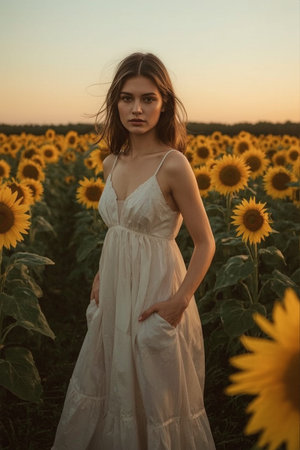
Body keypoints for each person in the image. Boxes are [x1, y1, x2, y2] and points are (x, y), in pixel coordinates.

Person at [52, 52, 216, 450]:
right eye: (127, 98)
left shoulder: (173, 164)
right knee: (112, 380)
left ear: (165, 104)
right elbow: (119, 232)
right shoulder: (112, 163)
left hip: (158, 290)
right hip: (115, 290)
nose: (136, 109)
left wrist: (179, 300)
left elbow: (205, 242)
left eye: (148, 99)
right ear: (116, 103)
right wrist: (99, 275)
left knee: (156, 393)